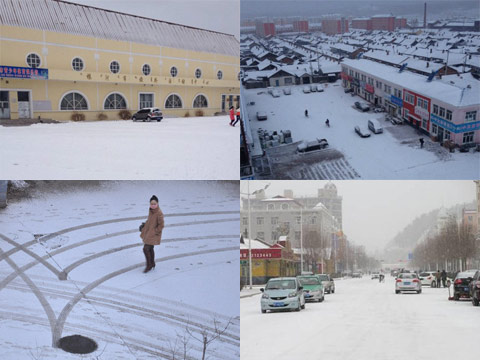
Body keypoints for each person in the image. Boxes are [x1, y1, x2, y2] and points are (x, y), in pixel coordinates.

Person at [139, 195, 164, 273]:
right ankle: (152, 263)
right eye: (151, 204)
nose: (153, 205)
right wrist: (144, 225)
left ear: (157, 204)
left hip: (153, 234)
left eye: (154, 204)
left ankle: (149, 265)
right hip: (149, 233)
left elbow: (161, 225)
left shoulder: (159, 213)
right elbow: (150, 221)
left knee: (145, 249)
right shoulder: (151, 211)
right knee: (150, 248)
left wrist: (155, 231)